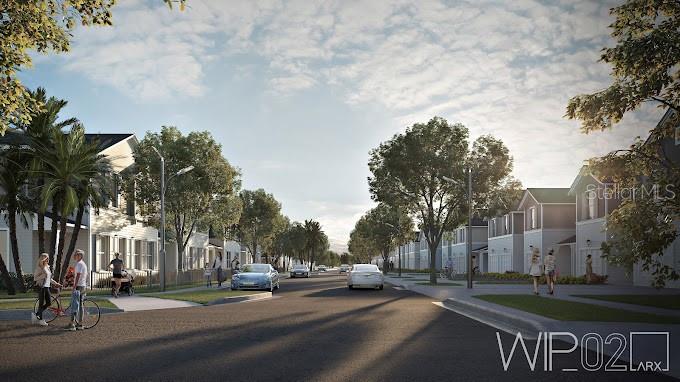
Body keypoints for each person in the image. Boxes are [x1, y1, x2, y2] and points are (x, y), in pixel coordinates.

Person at [32, 253, 62, 326]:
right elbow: (35, 278)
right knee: (41, 304)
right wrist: (43, 275)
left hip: (47, 287)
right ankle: (41, 320)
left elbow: (49, 278)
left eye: (48, 258)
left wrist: (56, 283)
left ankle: (37, 315)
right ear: (43, 259)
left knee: (49, 303)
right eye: (46, 258)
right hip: (41, 287)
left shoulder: (47, 267)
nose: (48, 260)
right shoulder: (39, 268)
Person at [66, 249, 87, 331]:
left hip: (78, 286)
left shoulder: (79, 264)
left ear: (80, 256)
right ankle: (80, 323)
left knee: (75, 305)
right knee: (80, 305)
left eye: (77, 255)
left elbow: (78, 275)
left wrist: (74, 286)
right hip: (83, 286)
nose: (75, 256)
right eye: (75, 254)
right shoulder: (83, 264)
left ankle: (72, 324)